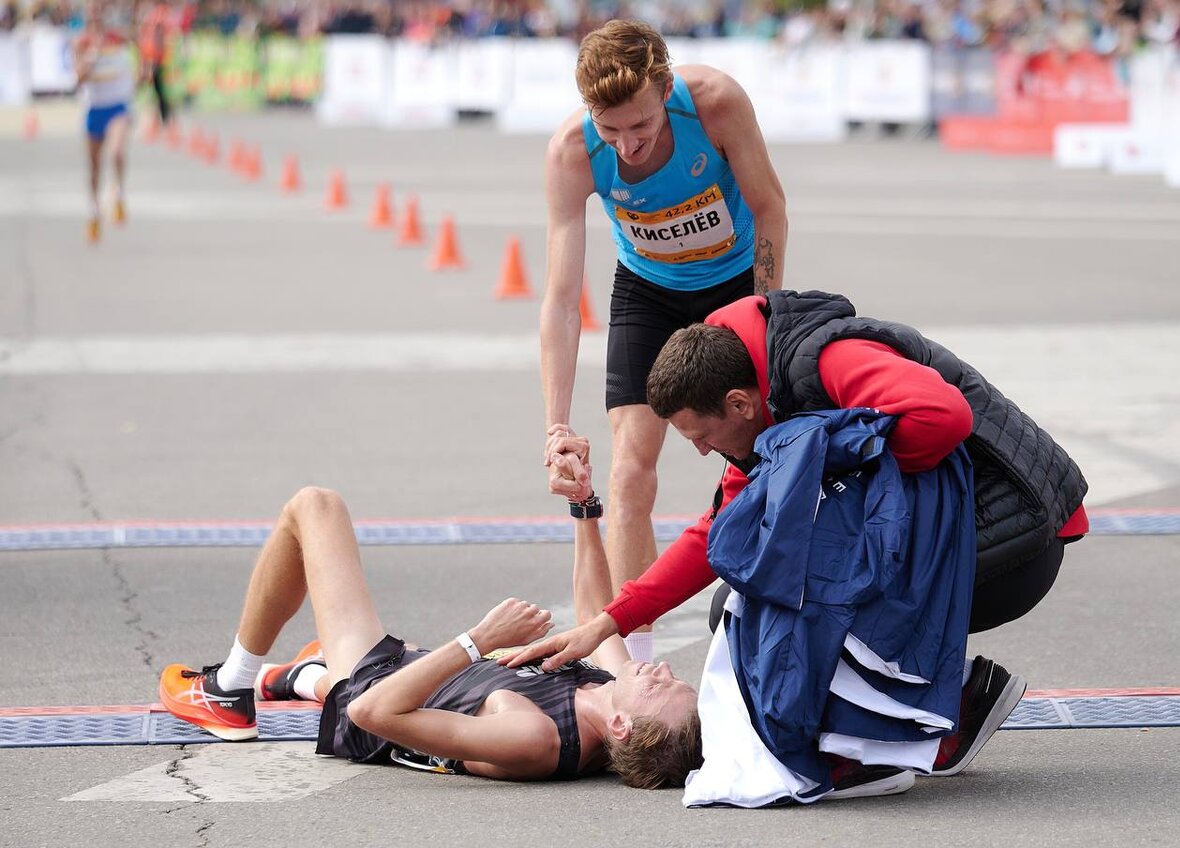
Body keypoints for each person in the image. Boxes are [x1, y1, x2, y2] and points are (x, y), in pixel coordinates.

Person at [504, 289, 1090, 778]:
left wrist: (839, 480)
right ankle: (955, 700)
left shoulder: (828, 361)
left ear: (738, 403)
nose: (705, 451)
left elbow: (946, 416)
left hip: (1019, 537)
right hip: (973, 533)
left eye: (702, 437)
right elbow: (718, 537)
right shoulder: (760, 410)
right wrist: (607, 623)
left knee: (802, 602)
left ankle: (937, 725)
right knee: (739, 604)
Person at [158, 485, 701, 787]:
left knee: (315, 507)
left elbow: (373, 713)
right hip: (412, 669)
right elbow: (594, 611)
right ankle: (306, 676)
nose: (661, 668)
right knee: (323, 663)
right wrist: (582, 502)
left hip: (372, 692)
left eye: (659, 688)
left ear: (622, 728)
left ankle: (230, 688)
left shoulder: (535, 738)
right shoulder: (610, 685)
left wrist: (479, 638)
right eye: (675, 677)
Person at [540, 20, 788, 664]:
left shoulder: (716, 103)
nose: (626, 145)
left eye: (642, 126)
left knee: (756, 454)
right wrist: (555, 426)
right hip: (647, 293)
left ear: (667, 90)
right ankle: (642, 664)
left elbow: (769, 208)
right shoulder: (572, 151)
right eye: (610, 128)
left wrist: (764, 318)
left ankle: (770, 618)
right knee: (627, 474)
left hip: (733, 284)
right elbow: (563, 301)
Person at [73, 0, 136, 244]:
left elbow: (136, 50)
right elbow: (78, 79)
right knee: (94, 167)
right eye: (93, 13)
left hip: (117, 107)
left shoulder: (118, 39)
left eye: (101, 12)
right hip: (94, 109)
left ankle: (118, 193)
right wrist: (92, 56)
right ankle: (93, 211)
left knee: (118, 151)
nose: (97, 17)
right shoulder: (81, 42)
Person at [138, 0, 177, 128]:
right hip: (155, 58)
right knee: (158, 90)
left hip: (157, 59)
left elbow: (158, 36)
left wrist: (153, 60)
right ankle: (162, 118)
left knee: (159, 90)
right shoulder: (157, 12)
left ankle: (165, 119)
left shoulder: (159, 13)